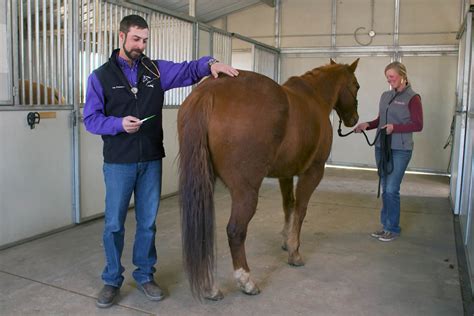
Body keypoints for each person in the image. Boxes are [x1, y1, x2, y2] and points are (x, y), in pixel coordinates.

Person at [83, 14, 239, 308]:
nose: (140, 45)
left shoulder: (154, 70)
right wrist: (118, 125)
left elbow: (188, 70)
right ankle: (112, 280)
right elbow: (90, 119)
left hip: (151, 160)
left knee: (148, 223)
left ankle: (145, 275)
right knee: (114, 224)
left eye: (144, 40)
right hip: (119, 163)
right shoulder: (100, 76)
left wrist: (211, 63)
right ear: (121, 37)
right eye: (135, 39)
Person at [354, 61, 423, 242]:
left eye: (391, 77)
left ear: (403, 76)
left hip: (400, 149)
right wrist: (366, 125)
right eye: (387, 77)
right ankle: (385, 226)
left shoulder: (413, 98)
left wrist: (395, 128)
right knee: (385, 188)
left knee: (392, 189)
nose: (389, 80)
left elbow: (418, 125)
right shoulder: (385, 96)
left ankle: (393, 228)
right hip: (382, 147)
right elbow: (380, 120)